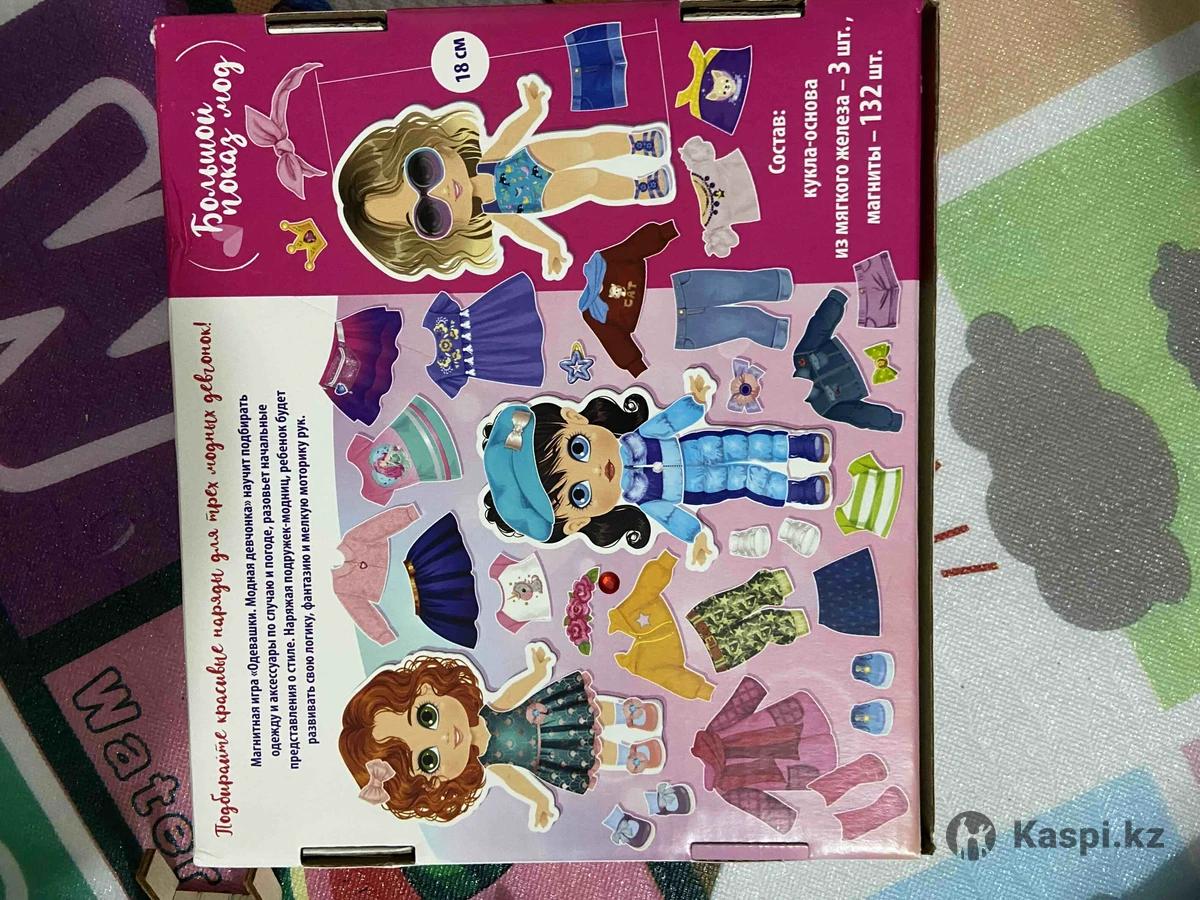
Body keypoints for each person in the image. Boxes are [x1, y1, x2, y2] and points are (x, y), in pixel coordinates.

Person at [480, 369, 833, 569]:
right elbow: (670, 516)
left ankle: (800, 447)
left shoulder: (640, 436)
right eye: (580, 494)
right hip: (700, 487)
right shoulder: (644, 498)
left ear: (574, 418)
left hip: (704, 444)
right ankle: (799, 490)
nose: (596, 471)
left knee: (750, 444)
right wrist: (695, 537)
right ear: (577, 522)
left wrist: (695, 401)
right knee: (746, 479)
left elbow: (669, 421)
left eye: (578, 449)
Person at [336, 74, 673, 281]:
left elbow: (508, 139)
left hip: (532, 157)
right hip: (538, 197)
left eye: (422, 171)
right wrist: (551, 247)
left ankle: (636, 142)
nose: (442, 191)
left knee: (587, 146)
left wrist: (532, 111)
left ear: (429, 145)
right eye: (429, 215)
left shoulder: (486, 163)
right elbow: (521, 228)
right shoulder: (494, 211)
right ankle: (640, 187)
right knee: (591, 180)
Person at [339, 643, 665, 831]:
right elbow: (513, 777)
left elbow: (511, 697)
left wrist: (537, 673)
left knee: (585, 711)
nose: (444, 737)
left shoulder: (489, 710)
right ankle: (630, 755)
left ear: (428, 688)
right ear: (434, 784)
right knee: (590, 754)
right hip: (548, 757)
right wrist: (539, 801)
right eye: (428, 758)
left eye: (427, 716)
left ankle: (629, 714)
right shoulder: (490, 761)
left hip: (546, 712)